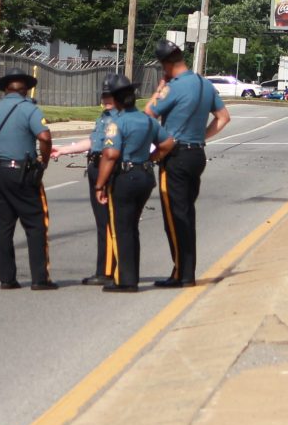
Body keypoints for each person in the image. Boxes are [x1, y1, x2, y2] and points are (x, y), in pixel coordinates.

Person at [144, 39, 231, 288]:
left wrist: (159, 89)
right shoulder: (204, 84)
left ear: (165, 65)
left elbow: (149, 113)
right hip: (196, 154)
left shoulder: (175, 86)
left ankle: (181, 273)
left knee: (174, 217)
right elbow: (223, 117)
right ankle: (186, 272)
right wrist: (200, 137)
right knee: (186, 213)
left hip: (176, 157)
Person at [95, 76, 177, 292]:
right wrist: (151, 159)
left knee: (122, 228)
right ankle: (130, 275)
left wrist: (100, 184)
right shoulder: (147, 120)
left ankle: (125, 280)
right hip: (145, 175)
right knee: (132, 228)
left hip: (125, 177)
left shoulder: (116, 123)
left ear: (117, 100)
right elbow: (167, 142)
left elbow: (111, 154)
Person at [0, 67, 56, 291]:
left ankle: (7, 278)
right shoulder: (29, 110)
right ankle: (40, 279)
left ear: (5, 90)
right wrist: (44, 162)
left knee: (3, 226)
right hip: (22, 172)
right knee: (35, 224)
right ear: (25, 90)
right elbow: (45, 137)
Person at [51, 74, 119, 285]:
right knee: (102, 222)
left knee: (107, 222)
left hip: (106, 168)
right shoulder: (104, 116)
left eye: (110, 96)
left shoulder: (117, 118)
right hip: (96, 165)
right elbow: (93, 141)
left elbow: (109, 149)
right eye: (104, 96)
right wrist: (64, 150)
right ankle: (106, 268)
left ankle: (107, 270)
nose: (106, 100)